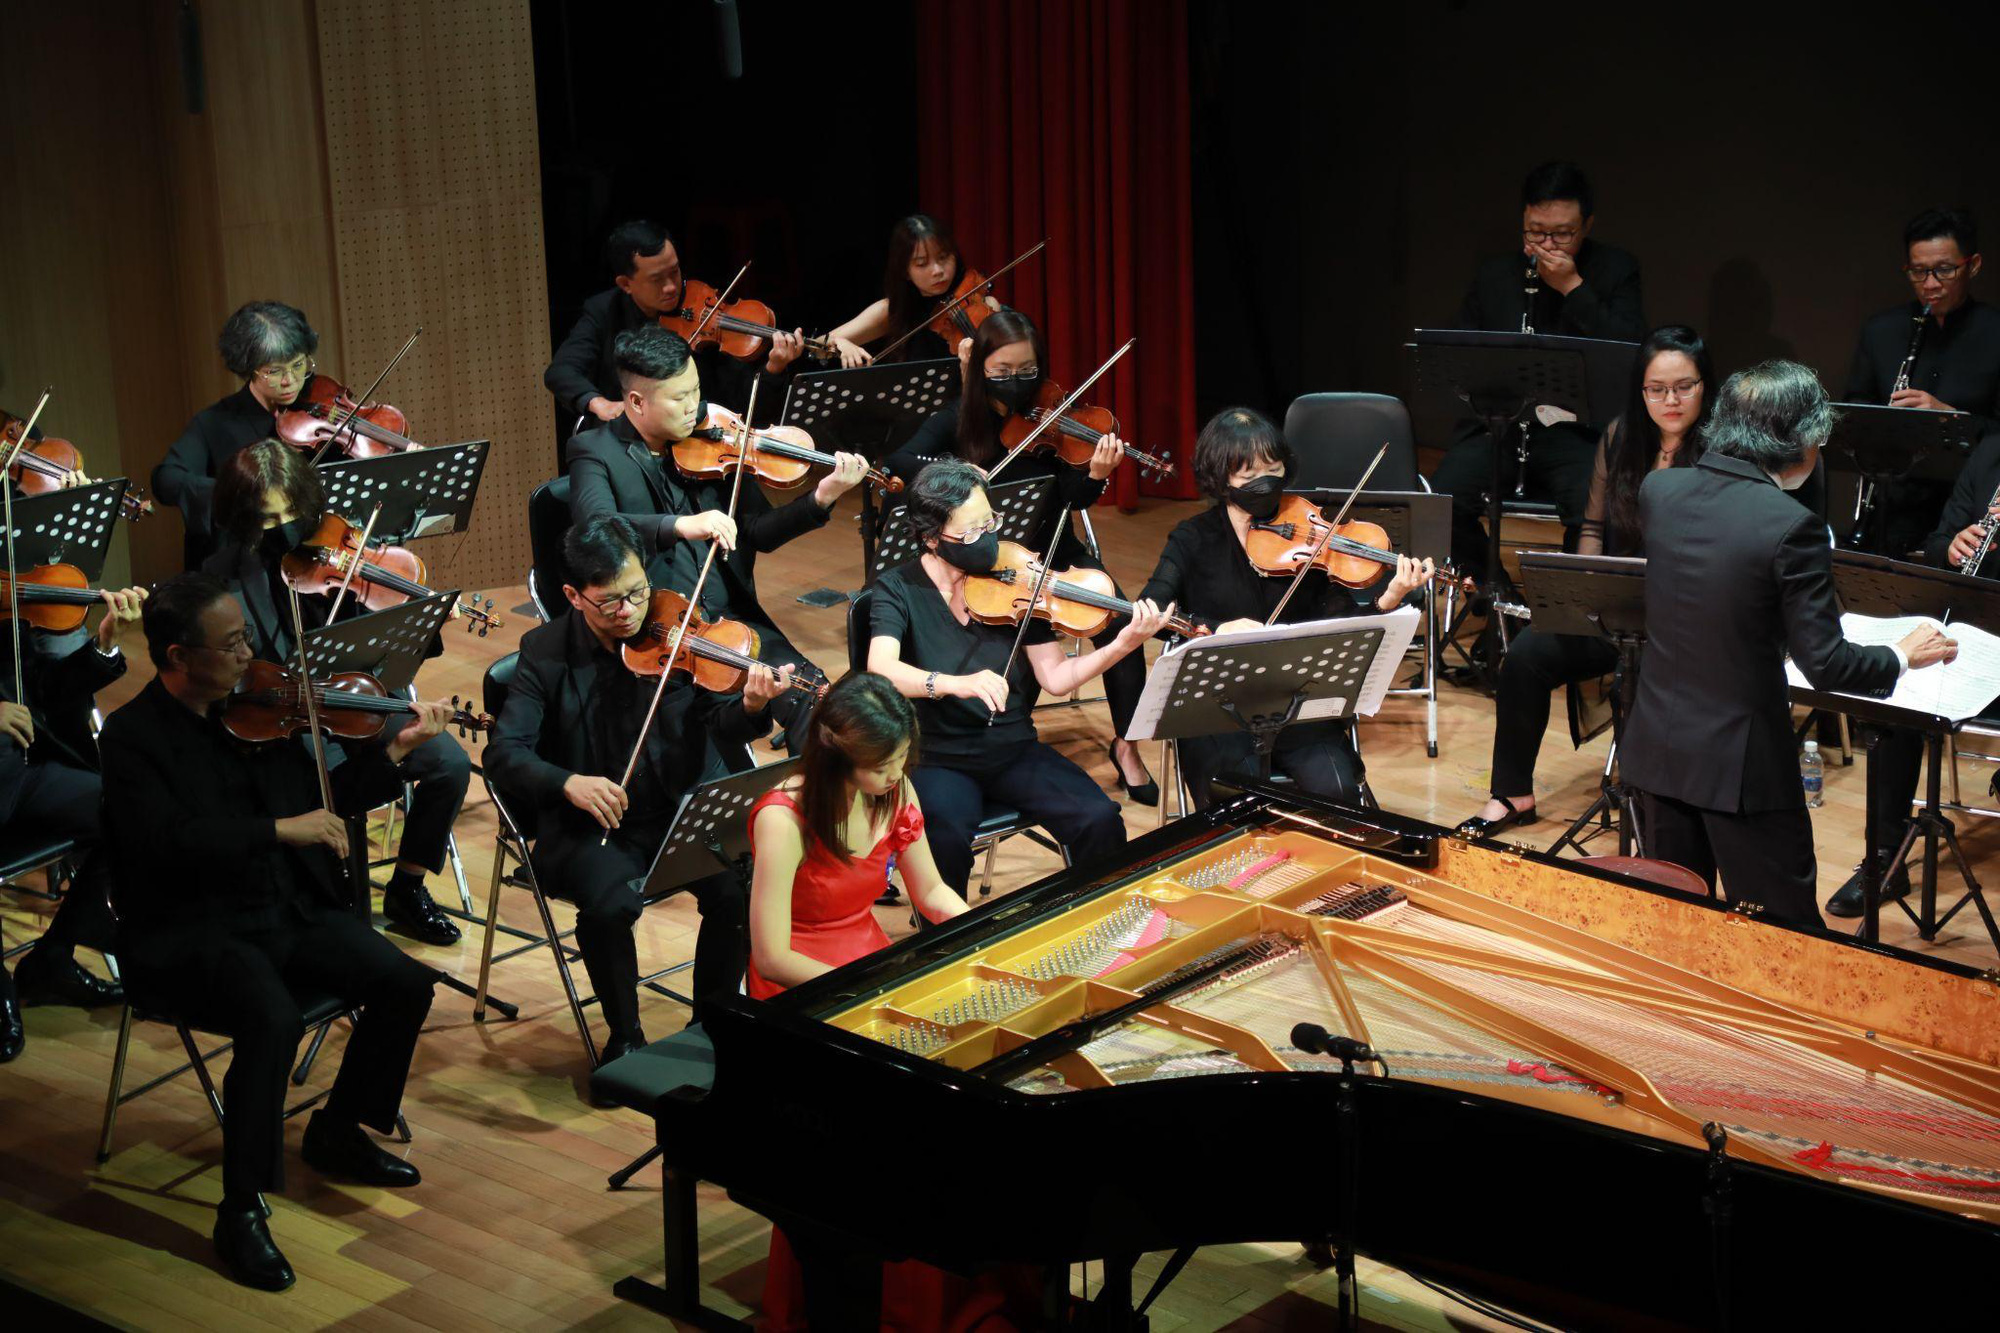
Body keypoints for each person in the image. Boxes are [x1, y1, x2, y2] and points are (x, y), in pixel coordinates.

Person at [100, 573, 447, 1292]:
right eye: (229, 645)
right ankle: (241, 1207)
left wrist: (395, 754)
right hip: (191, 929)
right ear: (176, 656)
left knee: (406, 982)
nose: (248, 654)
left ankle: (338, 1127)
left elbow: (327, 803)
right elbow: (165, 843)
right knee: (272, 1018)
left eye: (246, 638)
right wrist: (276, 831)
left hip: (284, 912)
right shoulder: (135, 737)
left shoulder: (263, 709)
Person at [1621, 362, 1955, 926]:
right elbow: (1825, 664)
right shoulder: (1791, 526)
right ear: (1795, 440)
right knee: (1784, 934)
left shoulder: (1661, 489)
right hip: (1740, 769)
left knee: (1676, 924)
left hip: (1658, 751)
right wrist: (1903, 654)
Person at [483, 515, 789, 1064]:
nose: (629, 612)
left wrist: (751, 707)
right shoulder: (544, 653)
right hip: (595, 825)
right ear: (574, 596)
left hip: (680, 808)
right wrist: (567, 782)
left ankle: (713, 1020)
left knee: (738, 888)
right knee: (607, 907)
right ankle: (624, 1034)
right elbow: (503, 754)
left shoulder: (680, 629)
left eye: (637, 593)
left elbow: (722, 725)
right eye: (610, 603)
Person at [201, 441, 472, 946]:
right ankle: (326, 900)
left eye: (293, 510)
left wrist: (412, 621)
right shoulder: (221, 574)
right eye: (269, 515)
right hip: (285, 714)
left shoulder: (334, 544)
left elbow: (388, 649)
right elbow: (233, 674)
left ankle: (407, 888)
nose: (287, 526)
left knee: (448, 765)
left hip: (353, 693)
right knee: (324, 787)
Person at [884, 310, 1159, 802]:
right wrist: (953, 467)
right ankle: (1008, 745)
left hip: (1052, 546)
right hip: (983, 555)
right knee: (1012, 642)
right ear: (981, 368)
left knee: (1118, 620)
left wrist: (1095, 474)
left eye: (1027, 372)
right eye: (1004, 372)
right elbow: (901, 462)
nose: (1018, 384)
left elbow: (1073, 499)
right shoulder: (957, 418)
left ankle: (1127, 743)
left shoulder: (1054, 415)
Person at [865, 460, 1169, 896]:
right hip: (937, 758)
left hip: (1012, 749)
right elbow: (882, 669)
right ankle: (949, 949)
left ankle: (1094, 925)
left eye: (989, 523)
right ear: (932, 539)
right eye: (970, 533)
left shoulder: (1016, 580)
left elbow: (1058, 677)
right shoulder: (897, 589)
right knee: (944, 841)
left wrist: (1122, 645)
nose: (988, 540)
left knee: (1098, 819)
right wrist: (953, 683)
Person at [1458, 327, 1714, 836]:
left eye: (1684, 387)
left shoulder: (1721, 449)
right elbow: (1593, 527)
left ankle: (1660, 810)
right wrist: (1581, 598)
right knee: (1528, 657)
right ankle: (1513, 796)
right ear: (1640, 390)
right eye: (1656, 388)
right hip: (1619, 607)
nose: (1670, 400)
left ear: (1706, 386)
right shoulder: (1621, 437)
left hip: (1689, 622)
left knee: (1643, 682)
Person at [567, 324, 866, 754]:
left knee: (824, 712)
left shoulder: (713, 441)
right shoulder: (594, 452)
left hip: (734, 620)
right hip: (663, 633)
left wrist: (822, 497)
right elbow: (596, 528)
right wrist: (679, 525)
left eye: (697, 390)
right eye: (679, 398)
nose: (695, 407)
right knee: (713, 731)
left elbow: (759, 532)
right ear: (636, 401)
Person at [1136, 407, 1433, 810]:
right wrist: (1215, 629)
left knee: (1340, 793)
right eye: (1248, 476)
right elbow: (1151, 610)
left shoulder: (1309, 538)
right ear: (1220, 478)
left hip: (1299, 707)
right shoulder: (1193, 539)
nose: (1264, 483)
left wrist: (1389, 598)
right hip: (1218, 713)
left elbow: (1341, 621)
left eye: (1272, 470)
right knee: (1233, 802)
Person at [1428, 161, 1649, 585]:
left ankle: (1564, 620)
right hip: (1502, 427)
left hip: (1575, 430)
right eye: (1535, 231)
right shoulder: (1495, 275)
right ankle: (1501, 605)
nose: (1547, 244)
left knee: (1596, 514)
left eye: (1562, 233)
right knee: (1439, 506)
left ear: (1586, 226)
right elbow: (1461, 349)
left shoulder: (1615, 270)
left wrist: (1573, 289)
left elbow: (1631, 350)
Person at [1829, 424, 2000, 916]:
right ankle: (1885, 859)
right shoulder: (1993, 450)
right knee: (1900, 683)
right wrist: (1952, 548)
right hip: (1971, 633)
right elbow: (1938, 540)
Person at [748, 671, 965, 999]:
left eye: (902, 756)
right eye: (880, 767)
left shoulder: (895, 790)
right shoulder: (783, 821)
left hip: (867, 957)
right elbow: (772, 959)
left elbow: (931, 890)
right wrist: (867, 987)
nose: (895, 774)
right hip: (802, 979)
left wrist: (984, 927)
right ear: (837, 761)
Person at [0, 583, 146, 1061]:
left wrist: (103, 643)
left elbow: (44, 692)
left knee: (129, 811)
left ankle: (53, 956)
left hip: (19, 773)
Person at [543, 218, 804, 431]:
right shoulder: (604, 312)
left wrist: (774, 368)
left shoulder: (705, 309)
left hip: (696, 445)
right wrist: (599, 404)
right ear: (625, 284)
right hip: (629, 445)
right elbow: (561, 371)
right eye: (657, 279)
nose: (671, 287)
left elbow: (747, 408)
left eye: (675, 272)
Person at [1841, 206, 2000, 556]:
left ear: (1973, 265)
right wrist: (1887, 422)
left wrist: (1951, 418)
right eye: (1918, 271)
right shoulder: (1882, 331)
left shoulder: (1995, 332)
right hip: (1891, 509)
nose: (1930, 284)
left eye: (1944, 270)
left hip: (1965, 515)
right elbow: (1853, 411)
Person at [155, 302, 322, 570]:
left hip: (313, 562)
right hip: (245, 569)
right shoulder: (215, 422)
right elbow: (166, 479)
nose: (290, 380)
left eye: (298, 365)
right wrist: (235, 493)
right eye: (274, 371)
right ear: (249, 368)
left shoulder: (320, 412)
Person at [823, 213, 1002, 367]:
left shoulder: (981, 301)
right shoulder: (891, 311)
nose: (938, 270)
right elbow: (819, 346)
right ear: (905, 271)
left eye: (944, 257)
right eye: (922, 263)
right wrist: (840, 343)